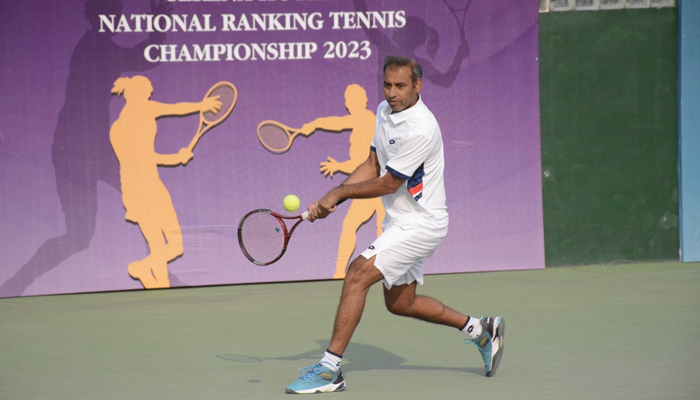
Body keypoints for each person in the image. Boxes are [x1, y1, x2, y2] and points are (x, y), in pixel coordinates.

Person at [284, 56, 504, 394]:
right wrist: (334, 198)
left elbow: (389, 183)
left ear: (417, 85)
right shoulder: (384, 113)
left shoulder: (421, 128)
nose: (392, 92)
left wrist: (339, 191)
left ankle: (330, 370)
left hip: (422, 223)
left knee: (357, 273)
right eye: (387, 85)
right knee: (401, 303)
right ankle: (481, 330)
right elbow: (372, 163)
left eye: (400, 85)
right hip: (399, 221)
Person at [109, 75, 220, 288]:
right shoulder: (132, 120)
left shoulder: (124, 122)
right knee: (171, 246)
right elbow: (141, 157)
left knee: (162, 246)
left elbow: (176, 108)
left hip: (140, 189)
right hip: (144, 189)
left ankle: (158, 283)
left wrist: (202, 105)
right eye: (148, 93)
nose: (150, 97)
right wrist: (175, 158)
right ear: (137, 94)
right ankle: (144, 271)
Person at [298, 84, 386, 279]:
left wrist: (338, 167)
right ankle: (340, 272)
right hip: (371, 185)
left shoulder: (367, 120)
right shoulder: (363, 120)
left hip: (380, 186)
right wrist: (314, 124)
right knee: (357, 226)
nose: (348, 105)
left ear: (363, 100)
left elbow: (367, 165)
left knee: (379, 228)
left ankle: (374, 271)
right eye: (347, 101)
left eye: (352, 100)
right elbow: (337, 123)